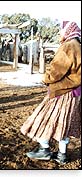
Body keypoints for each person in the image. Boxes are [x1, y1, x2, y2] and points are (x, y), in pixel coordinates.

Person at [20, 21, 81, 164]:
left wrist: (46, 79)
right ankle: (62, 154)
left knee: (45, 118)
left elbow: (56, 71)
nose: (60, 34)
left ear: (67, 31)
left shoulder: (68, 46)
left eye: (61, 31)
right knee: (64, 123)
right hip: (76, 93)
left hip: (62, 91)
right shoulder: (79, 46)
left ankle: (44, 149)